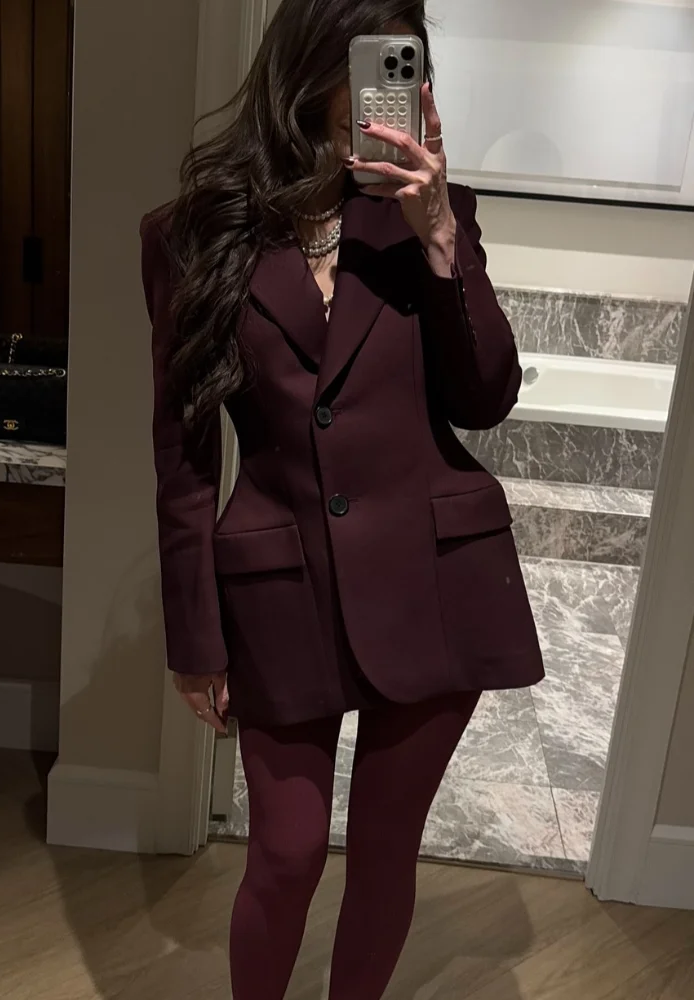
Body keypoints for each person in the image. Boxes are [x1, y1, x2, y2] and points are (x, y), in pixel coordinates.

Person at [140, 2, 544, 997]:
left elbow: (486, 396)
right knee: (283, 854)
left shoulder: (429, 216)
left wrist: (440, 234)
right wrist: (194, 637)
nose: (396, 84)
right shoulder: (193, 235)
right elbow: (183, 451)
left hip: (434, 574)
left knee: (385, 850)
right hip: (280, 587)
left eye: (408, 62)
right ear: (313, 64)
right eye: (372, 59)